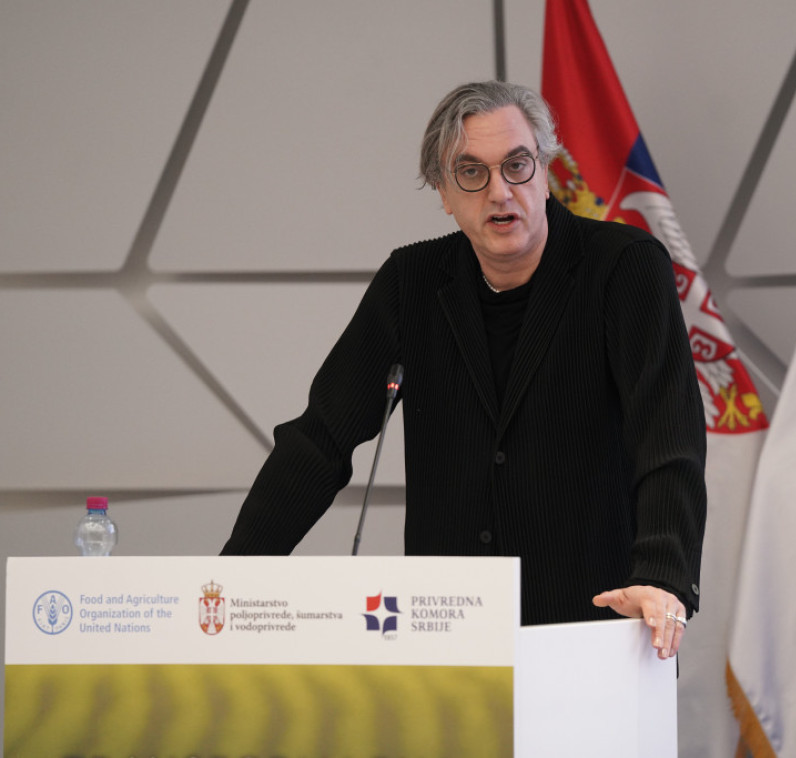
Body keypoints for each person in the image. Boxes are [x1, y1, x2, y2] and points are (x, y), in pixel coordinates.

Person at [221, 81, 707, 660]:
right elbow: (319, 440)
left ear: (545, 170)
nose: (500, 191)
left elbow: (668, 438)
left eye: (517, 165)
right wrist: (232, 579)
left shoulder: (624, 268)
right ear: (444, 194)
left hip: (596, 626)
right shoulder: (412, 282)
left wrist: (663, 575)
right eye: (471, 172)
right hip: (447, 637)